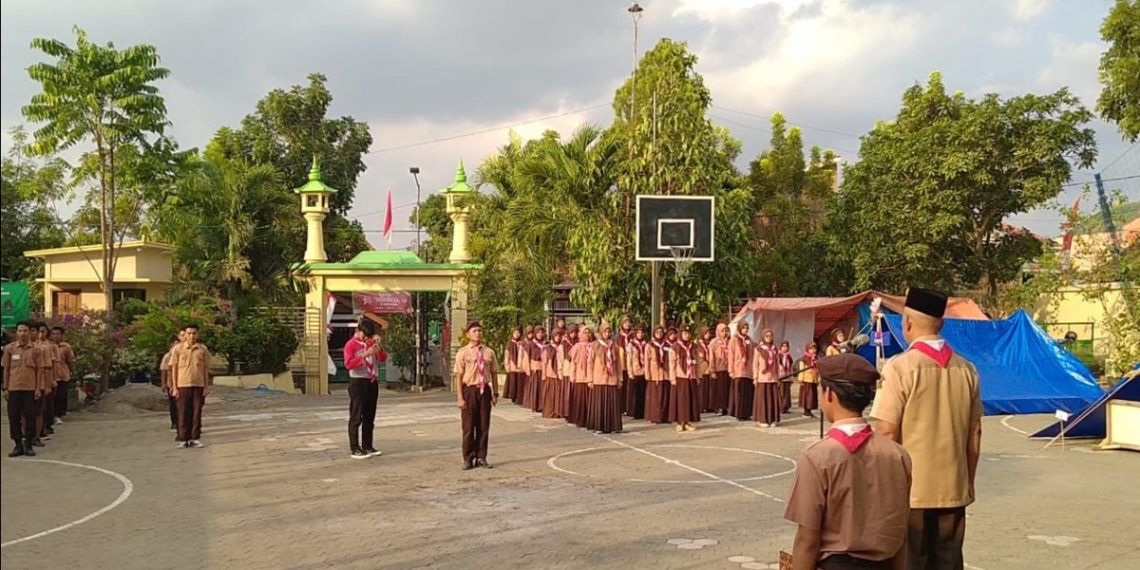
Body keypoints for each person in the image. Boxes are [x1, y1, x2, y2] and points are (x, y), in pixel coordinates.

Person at [871, 287, 982, 570]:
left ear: (906, 322)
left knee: (910, 561)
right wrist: (968, 481)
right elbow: (975, 433)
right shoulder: (967, 369)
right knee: (948, 560)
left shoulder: (900, 368)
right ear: (941, 324)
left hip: (912, 491)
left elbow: (886, 432)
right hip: (953, 488)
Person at [784, 354, 912, 570]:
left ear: (829, 394)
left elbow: (808, 540)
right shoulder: (897, 454)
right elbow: (901, 533)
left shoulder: (817, 456)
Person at [455, 321, 499, 470]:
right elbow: (459, 376)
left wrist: (495, 393)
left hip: (484, 390)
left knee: (483, 425)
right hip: (469, 390)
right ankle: (468, 458)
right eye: (474, 331)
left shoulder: (489, 352)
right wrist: (460, 397)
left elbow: (493, 373)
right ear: (468, 334)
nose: (478, 333)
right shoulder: (463, 353)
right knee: (468, 427)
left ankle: (481, 457)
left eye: (480, 330)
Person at [344, 319, 384, 459]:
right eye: (365, 335)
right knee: (356, 415)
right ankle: (355, 447)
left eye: (369, 336)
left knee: (369, 415)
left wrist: (378, 346)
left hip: (372, 380)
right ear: (359, 331)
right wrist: (365, 354)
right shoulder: (351, 345)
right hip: (358, 381)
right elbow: (349, 364)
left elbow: (383, 358)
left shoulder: (371, 343)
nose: (367, 338)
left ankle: (368, 445)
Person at [3, 321, 43, 457]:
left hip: (30, 388)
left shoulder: (37, 350)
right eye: (20, 331)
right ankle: (18, 444)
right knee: (13, 417)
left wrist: (38, 388)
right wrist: (5, 388)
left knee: (30, 417)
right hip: (13, 388)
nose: (23, 333)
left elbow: (39, 370)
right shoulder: (10, 349)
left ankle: (28, 444)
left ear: (29, 332)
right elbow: (6, 369)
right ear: (16, 333)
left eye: (25, 331)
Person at [170, 323, 211, 448]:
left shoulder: (202, 350)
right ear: (185, 334)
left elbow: (205, 369)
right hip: (182, 384)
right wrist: (174, 387)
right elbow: (174, 369)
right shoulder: (177, 349)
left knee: (196, 412)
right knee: (183, 412)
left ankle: (195, 437)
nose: (191, 336)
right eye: (189, 333)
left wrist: (206, 386)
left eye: (194, 333)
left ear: (197, 335)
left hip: (198, 384)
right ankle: (183, 438)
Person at [589, 322, 624, 434]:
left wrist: (620, 378)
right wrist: (590, 379)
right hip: (599, 378)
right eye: (605, 331)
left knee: (612, 403)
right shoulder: (594, 345)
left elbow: (618, 364)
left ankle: (613, 426)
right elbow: (590, 363)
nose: (607, 333)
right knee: (599, 403)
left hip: (612, 378)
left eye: (609, 331)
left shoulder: (615, 346)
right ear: (601, 332)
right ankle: (599, 426)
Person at [669, 325, 701, 432]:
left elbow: (697, 363)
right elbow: (672, 364)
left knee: (690, 400)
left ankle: (687, 422)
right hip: (680, 376)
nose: (687, 336)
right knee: (681, 401)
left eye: (688, 333)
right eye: (684, 333)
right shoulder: (675, 347)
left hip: (691, 376)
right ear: (680, 334)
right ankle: (680, 422)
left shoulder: (694, 346)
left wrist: (698, 376)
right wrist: (672, 378)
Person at [753, 329, 782, 427]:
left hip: (773, 377)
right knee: (763, 399)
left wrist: (778, 377)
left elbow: (777, 364)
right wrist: (755, 377)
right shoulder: (758, 349)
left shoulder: (775, 349)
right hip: (762, 377)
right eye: (767, 336)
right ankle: (763, 420)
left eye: (771, 336)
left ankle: (772, 419)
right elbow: (755, 364)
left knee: (772, 399)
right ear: (763, 337)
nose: (769, 338)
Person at [568, 326, 595, 428]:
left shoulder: (593, 346)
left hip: (591, 377)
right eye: (584, 333)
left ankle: (590, 419)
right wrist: (572, 375)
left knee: (590, 400)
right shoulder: (577, 346)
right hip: (580, 376)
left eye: (588, 333)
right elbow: (573, 363)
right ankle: (579, 419)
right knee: (580, 400)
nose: (586, 335)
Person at [728, 322, 754, 421]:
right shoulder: (734, 340)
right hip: (738, 369)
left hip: (748, 370)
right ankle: (739, 413)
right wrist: (731, 370)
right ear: (739, 328)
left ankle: (747, 413)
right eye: (743, 327)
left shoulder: (749, 339)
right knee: (739, 393)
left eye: (747, 327)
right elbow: (731, 355)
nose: (745, 329)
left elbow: (752, 354)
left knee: (747, 392)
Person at [644, 326, 670, 424]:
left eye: (661, 332)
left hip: (665, 373)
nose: (659, 334)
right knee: (655, 397)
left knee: (664, 395)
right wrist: (647, 374)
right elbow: (647, 361)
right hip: (654, 373)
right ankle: (655, 416)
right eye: (657, 332)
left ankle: (664, 416)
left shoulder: (666, 344)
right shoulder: (649, 345)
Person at [49, 326, 75, 424]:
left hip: (63, 374)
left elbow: (70, 360)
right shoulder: (48, 346)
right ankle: (53, 415)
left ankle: (59, 414)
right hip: (51, 376)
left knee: (61, 395)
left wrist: (72, 371)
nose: (55, 336)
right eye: (53, 334)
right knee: (52, 397)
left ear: (62, 335)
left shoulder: (66, 347)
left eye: (58, 334)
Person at [160, 331, 183, 432]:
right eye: (175, 343)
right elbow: (164, 371)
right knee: (173, 405)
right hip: (171, 384)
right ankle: (174, 422)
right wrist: (164, 384)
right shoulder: (167, 356)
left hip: (182, 383)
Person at [625, 325, 648, 419]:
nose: (640, 334)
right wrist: (630, 372)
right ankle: (633, 412)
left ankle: (642, 412)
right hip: (635, 370)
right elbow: (629, 359)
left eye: (642, 332)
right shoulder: (631, 345)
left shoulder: (646, 344)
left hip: (643, 371)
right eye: (638, 332)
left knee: (642, 393)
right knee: (634, 394)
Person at [709, 323, 731, 415]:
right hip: (718, 369)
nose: (724, 333)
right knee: (719, 390)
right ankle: (718, 407)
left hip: (728, 368)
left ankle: (726, 407)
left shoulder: (730, 341)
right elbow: (711, 357)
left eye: (726, 330)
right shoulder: (714, 342)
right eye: (722, 331)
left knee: (727, 389)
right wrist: (712, 370)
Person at [524, 327, 547, 413]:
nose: (540, 335)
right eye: (538, 333)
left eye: (542, 333)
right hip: (535, 368)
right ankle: (535, 405)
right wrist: (528, 369)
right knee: (536, 387)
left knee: (543, 388)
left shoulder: (546, 344)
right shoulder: (531, 344)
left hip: (544, 368)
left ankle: (542, 405)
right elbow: (527, 357)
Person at [541, 328, 562, 419]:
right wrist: (544, 375)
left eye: (559, 335)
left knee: (558, 395)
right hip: (550, 374)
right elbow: (544, 362)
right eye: (556, 336)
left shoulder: (562, 347)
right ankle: (549, 412)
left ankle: (557, 412)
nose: (557, 337)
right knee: (550, 395)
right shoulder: (548, 348)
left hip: (559, 374)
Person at [798, 342, 821, 418]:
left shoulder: (816, 358)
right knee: (807, 396)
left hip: (813, 380)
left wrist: (818, 379)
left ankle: (810, 411)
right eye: (811, 349)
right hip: (806, 380)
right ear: (807, 349)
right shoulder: (804, 359)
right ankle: (806, 411)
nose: (813, 350)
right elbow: (801, 370)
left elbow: (818, 370)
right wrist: (801, 379)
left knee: (812, 396)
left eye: (814, 348)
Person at [504, 327, 525, 405]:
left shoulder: (522, 343)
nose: (517, 334)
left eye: (518, 333)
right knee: (513, 382)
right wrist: (507, 366)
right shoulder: (509, 344)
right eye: (515, 333)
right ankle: (513, 397)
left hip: (520, 366)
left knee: (520, 382)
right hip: (512, 366)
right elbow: (507, 356)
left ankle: (519, 397)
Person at [618, 316, 633, 415]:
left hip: (631, 364)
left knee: (630, 387)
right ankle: (621, 407)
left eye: (628, 322)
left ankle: (629, 408)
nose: (627, 324)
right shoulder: (619, 336)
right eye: (625, 323)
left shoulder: (633, 335)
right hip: (622, 363)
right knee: (622, 387)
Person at [778, 340, 796, 414]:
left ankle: (786, 407)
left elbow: (791, 366)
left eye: (786, 346)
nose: (785, 348)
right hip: (781, 376)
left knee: (787, 393)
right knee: (781, 393)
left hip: (787, 376)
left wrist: (791, 375)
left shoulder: (789, 356)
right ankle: (780, 407)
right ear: (781, 347)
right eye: (783, 346)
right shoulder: (778, 355)